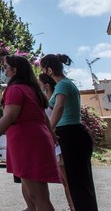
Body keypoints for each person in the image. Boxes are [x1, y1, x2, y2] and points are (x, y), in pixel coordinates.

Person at [0, 55, 61, 211]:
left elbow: (10, 116)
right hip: (33, 139)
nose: (3, 71)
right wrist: (51, 134)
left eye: (5, 68)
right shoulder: (31, 90)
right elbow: (43, 117)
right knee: (32, 193)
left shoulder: (15, 89)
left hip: (27, 141)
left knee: (38, 196)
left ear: (14, 71)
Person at [40, 54, 98, 211]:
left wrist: (49, 130)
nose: (42, 73)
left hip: (72, 134)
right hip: (71, 134)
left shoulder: (63, 85)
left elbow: (58, 108)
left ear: (49, 70)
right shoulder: (63, 85)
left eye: (43, 70)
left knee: (79, 182)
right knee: (77, 181)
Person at [37, 73, 74, 211]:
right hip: (53, 143)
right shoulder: (48, 101)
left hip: (57, 142)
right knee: (65, 181)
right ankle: (71, 206)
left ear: (46, 86)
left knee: (68, 180)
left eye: (39, 83)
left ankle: (73, 206)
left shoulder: (51, 102)